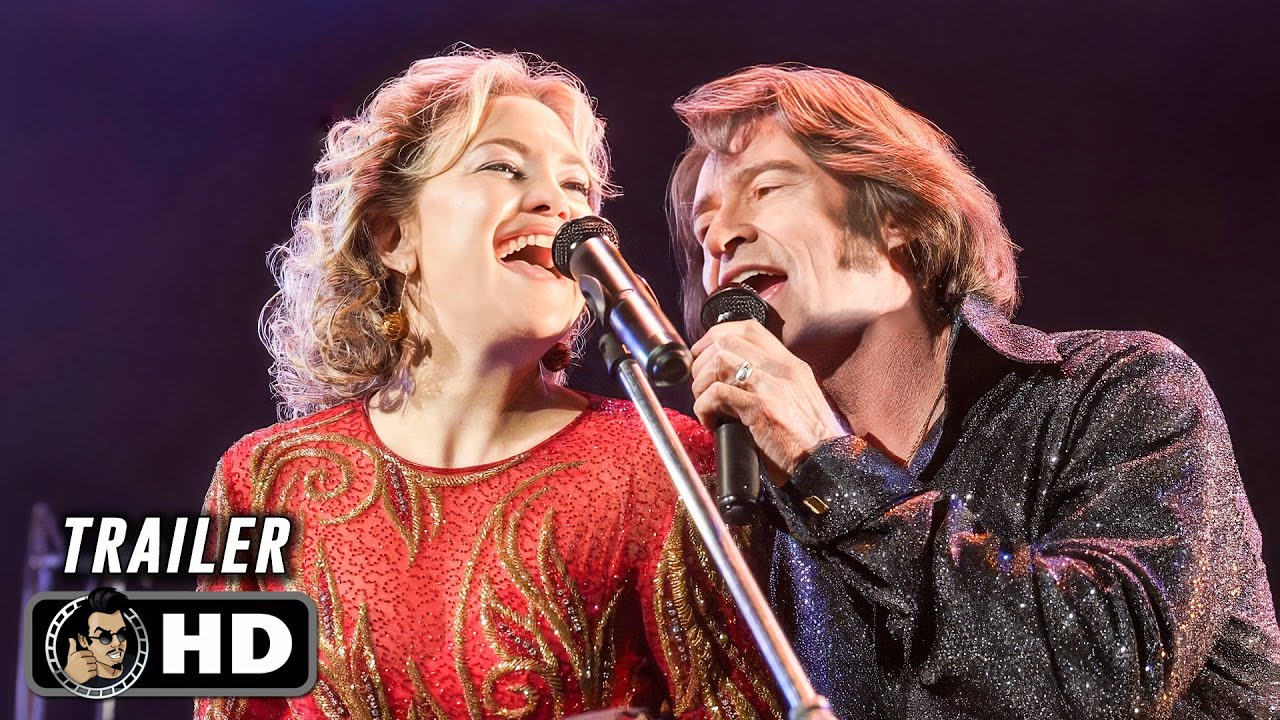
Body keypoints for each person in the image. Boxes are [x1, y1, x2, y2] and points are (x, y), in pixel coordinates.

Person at [667, 64, 1280, 719]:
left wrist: (827, 463)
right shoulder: (760, 515)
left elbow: (1102, 675)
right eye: (704, 232)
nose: (721, 240)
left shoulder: (1120, 390)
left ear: (895, 216)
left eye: (766, 189)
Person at [196, 50, 779, 720]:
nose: (559, 204)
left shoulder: (663, 465)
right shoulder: (268, 480)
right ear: (392, 234)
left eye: (576, 186)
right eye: (502, 166)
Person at [63, 586, 133, 687]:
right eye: (105, 637)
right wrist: (68, 678)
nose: (117, 643)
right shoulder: (72, 678)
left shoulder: (135, 664)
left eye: (121, 634)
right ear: (83, 640)